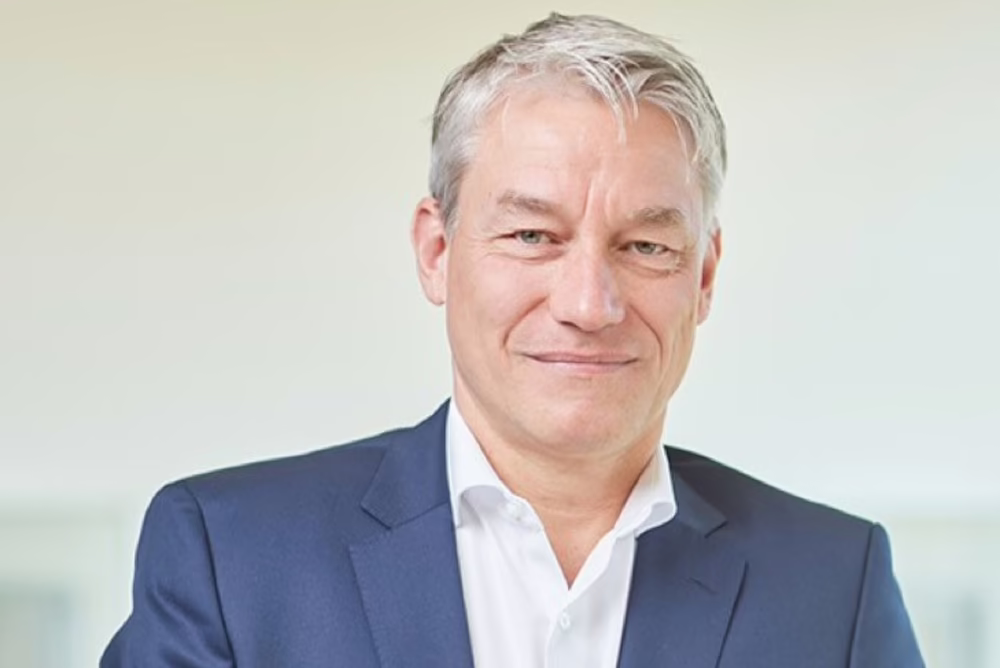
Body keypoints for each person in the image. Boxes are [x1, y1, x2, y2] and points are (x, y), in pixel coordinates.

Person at [101, 13, 924, 667]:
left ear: (704, 275)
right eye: (532, 236)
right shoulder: (230, 558)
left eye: (645, 246)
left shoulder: (834, 587)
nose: (589, 304)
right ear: (437, 251)